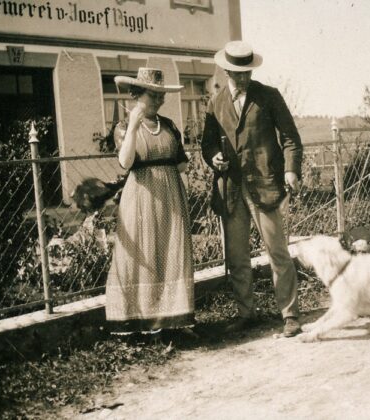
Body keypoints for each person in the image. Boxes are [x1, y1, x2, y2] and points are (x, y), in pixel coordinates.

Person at [201, 41, 304, 337]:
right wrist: (213, 157)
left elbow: (290, 138)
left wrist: (290, 170)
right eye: (237, 73)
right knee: (237, 257)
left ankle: (290, 314)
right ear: (226, 70)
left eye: (247, 72)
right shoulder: (216, 102)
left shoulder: (268, 96)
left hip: (266, 186)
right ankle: (247, 313)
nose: (243, 78)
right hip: (231, 190)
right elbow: (207, 143)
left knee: (278, 252)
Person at [105, 68, 195, 335]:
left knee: (171, 252)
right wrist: (133, 125)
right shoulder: (123, 128)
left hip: (171, 196)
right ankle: (140, 321)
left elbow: (182, 166)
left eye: (161, 95)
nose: (159, 100)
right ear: (136, 95)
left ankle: (174, 320)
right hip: (141, 196)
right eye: (152, 95)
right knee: (144, 253)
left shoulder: (168, 126)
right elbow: (125, 162)